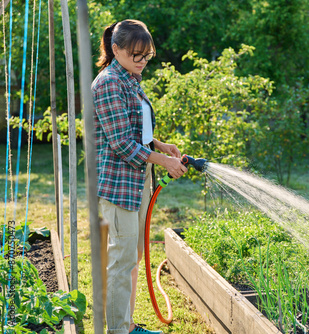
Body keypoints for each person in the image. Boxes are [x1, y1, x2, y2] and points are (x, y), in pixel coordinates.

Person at [92, 19, 187, 334]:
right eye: (136, 55)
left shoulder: (130, 78)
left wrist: (160, 144)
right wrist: (164, 161)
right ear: (115, 49)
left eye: (147, 55)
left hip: (138, 182)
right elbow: (120, 143)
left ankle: (128, 326)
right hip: (119, 186)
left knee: (131, 257)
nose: (143, 61)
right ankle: (119, 331)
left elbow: (136, 128)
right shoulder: (108, 83)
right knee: (121, 263)